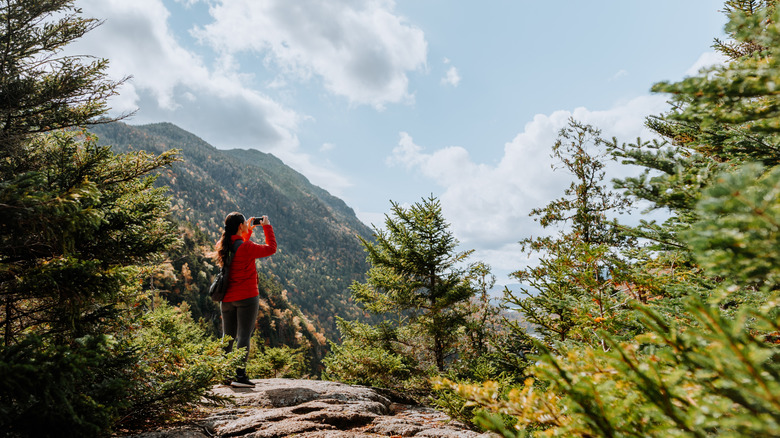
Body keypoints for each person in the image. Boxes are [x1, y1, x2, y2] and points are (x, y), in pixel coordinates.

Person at [214, 212, 277, 387]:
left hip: (226, 298)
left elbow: (237, 246)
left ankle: (224, 373)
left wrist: (246, 232)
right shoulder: (247, 247)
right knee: (243, 336)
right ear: (241, 226)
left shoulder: (222, 246)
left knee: (227, 337)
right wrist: (266, 226)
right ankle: (240, 376)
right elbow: (271, 248)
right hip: (247, 298)